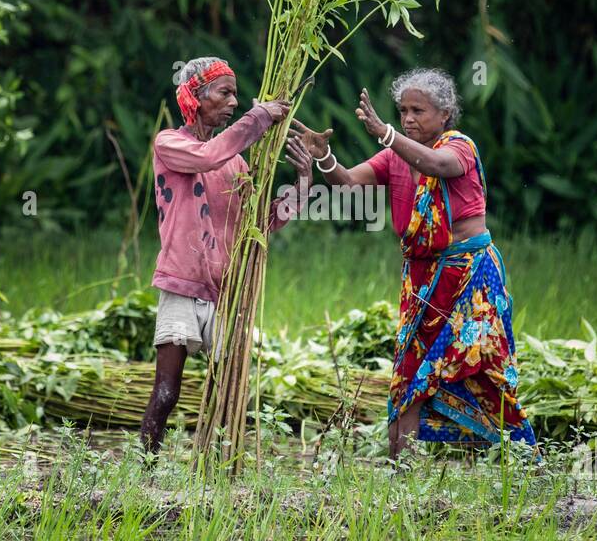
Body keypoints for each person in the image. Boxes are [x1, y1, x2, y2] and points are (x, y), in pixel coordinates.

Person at [292, 67, 535, 458]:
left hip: (469, 277)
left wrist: (387, 133)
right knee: (409, 372)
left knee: (481, 366)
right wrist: (324, 157)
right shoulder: (395, 155)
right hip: (422, 283)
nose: (408, 119)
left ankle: (519, 460)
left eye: (418, 111)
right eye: (403, 111)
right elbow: (350, 183)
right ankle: (398, 470)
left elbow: (439, 166)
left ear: (444, 114)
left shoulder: (459, 147)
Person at [139, 56, 313, 456]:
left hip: (227, 291)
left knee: (226, 393)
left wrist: (302, 185)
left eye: (236, 94)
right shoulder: (171, 144)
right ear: (196, 98)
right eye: (225, 92)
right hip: (182, 284)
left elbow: (262, 223)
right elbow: (207, 157)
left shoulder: (236, 162)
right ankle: (143, 471)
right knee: (166, 392)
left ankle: (214, 470)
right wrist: (258, 118)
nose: (234, 101)